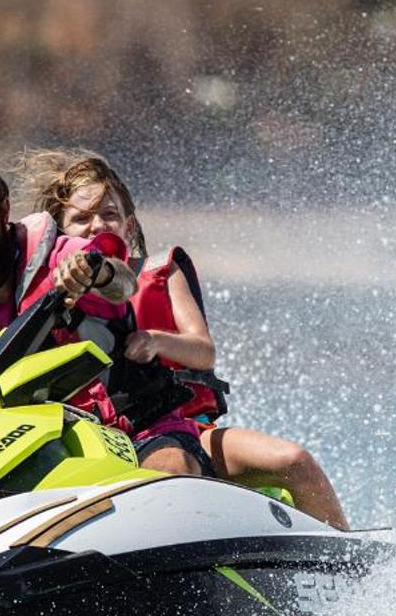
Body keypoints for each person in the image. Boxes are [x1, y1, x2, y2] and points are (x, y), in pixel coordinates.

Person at [23, 150, 350, 529]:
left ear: (128, 226)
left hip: (180, 427)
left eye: (108, 215)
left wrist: (157, 341)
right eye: (81, 219)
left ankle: (349, 564)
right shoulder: (49, 296)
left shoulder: (161, 272)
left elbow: (202, 352)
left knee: (293, 460)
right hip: (93, 443)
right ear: (60, 236)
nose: (97, 225)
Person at [0, 147, 151, 445]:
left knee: (172, 461)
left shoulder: (61, 261)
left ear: (3, 210)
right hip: (44, 465)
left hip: (134, 436)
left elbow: (124, 284)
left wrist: (98, 273)